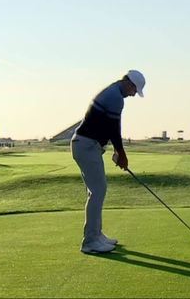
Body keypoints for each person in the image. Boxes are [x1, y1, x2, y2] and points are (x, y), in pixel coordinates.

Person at [70, 70, 145, 254]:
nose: (134, 94)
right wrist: (121, 153)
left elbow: (107, 128)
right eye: (135, 90)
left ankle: (96, 235)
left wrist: (115, 151)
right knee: (98, 191)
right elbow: (114, 129)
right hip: (86, 146)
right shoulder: (115, 97)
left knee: (97, 191)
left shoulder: (113, 92)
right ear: (129, 83)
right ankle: (90, 241)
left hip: (89, 146)